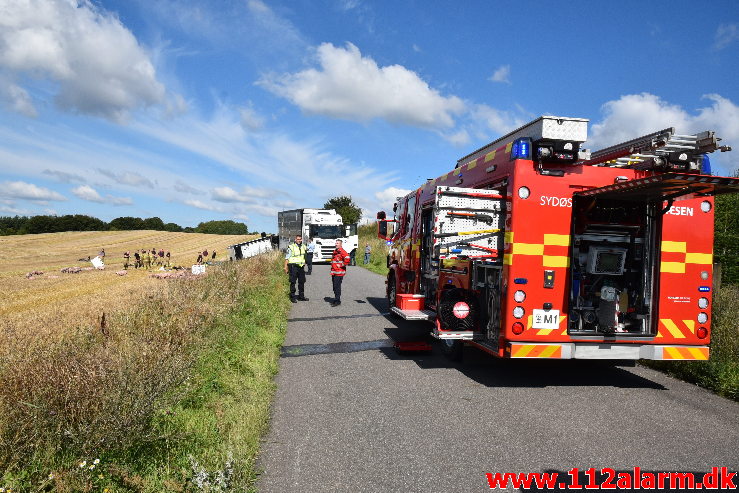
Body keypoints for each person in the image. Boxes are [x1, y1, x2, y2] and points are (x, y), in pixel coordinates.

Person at [284, 234, 309, 303]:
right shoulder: (291, 247)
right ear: (295, 240)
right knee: (293, 282)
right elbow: (287, 258)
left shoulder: (304, 246)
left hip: (301, 267)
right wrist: (285, 267)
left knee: (302, 282)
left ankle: (301, 296)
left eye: (300, 239)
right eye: (298, 239)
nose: (299, 240)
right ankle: (292, 297)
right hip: (293, 266)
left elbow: (305, 255)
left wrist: (305, 262)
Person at [329, 239, 351, 307]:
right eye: (336, 243)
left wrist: (341, 265)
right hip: (334, 272)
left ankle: (337, 301)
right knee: (334, 287)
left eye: (337, 243)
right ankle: (336, 299)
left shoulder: (342, 251)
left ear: (341, 244)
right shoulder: (335, 251)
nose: (336, 244)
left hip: (339, 272)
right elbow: (334, 260)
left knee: (337, 286)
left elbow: (348, 259)